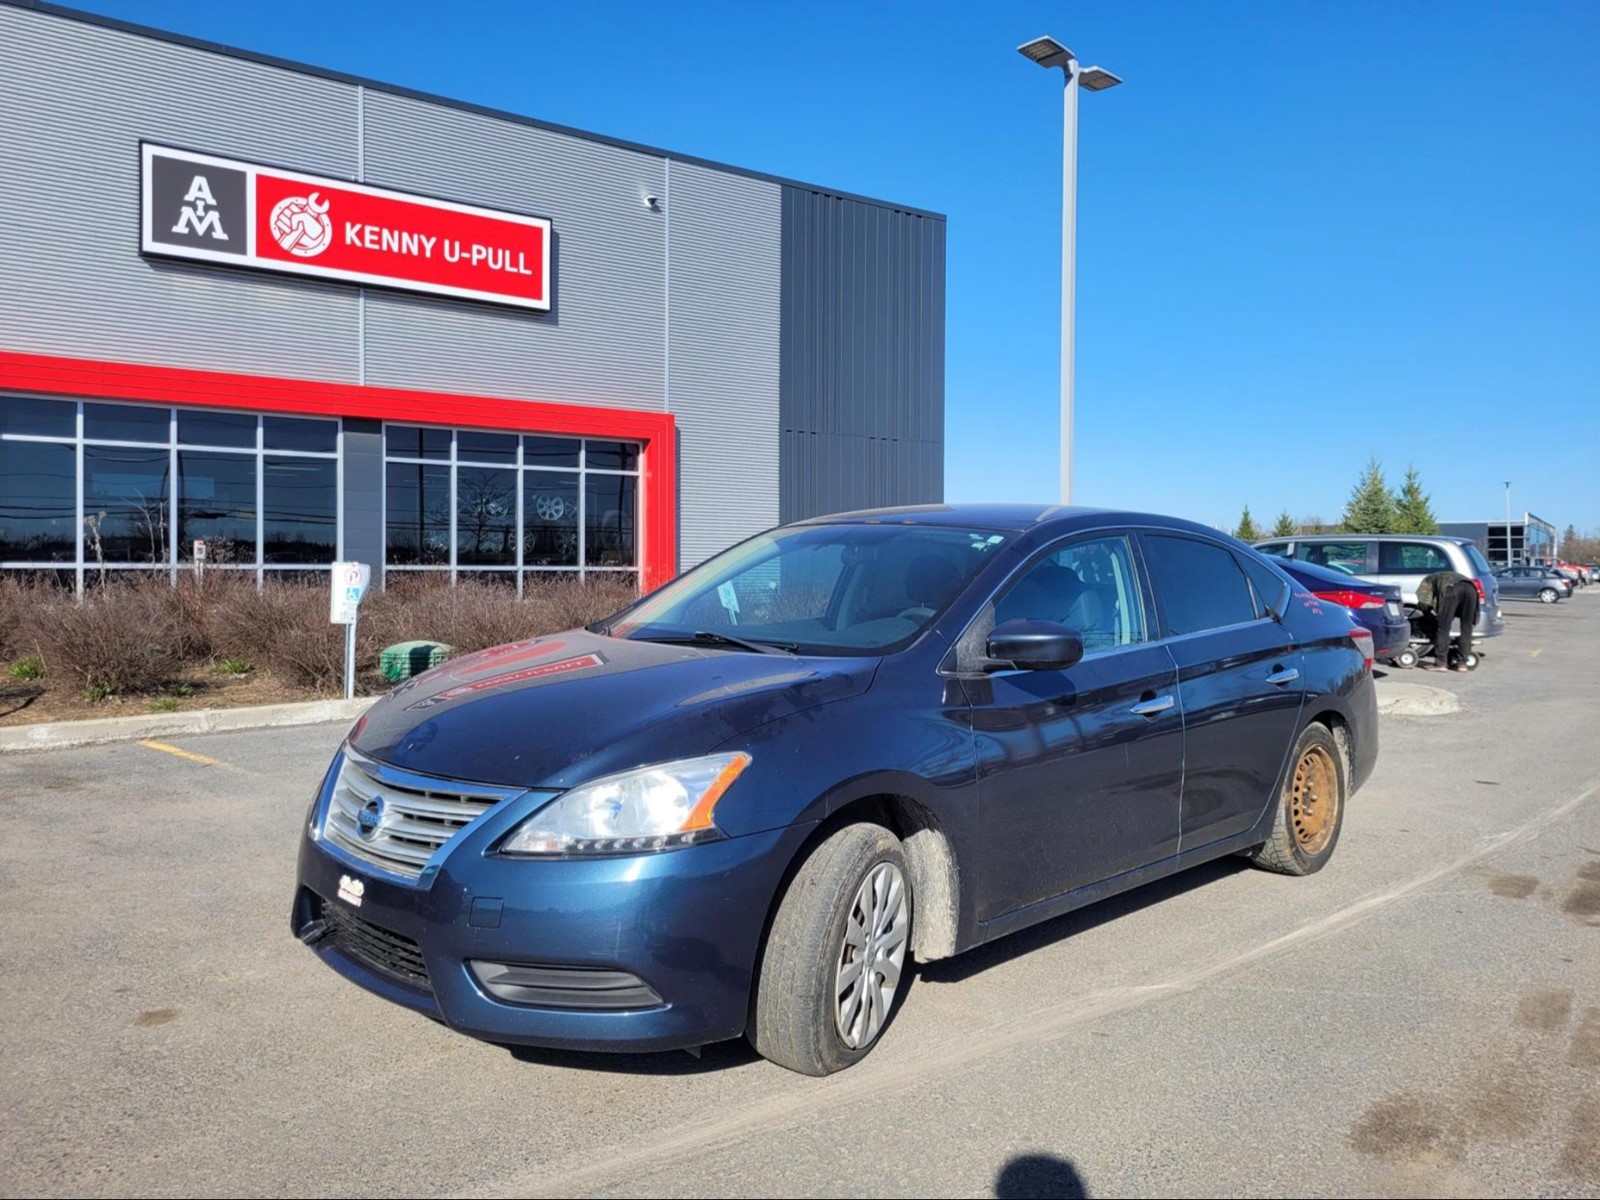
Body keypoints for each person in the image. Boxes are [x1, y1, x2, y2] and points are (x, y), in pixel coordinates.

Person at [1416, 570, 1478, 672]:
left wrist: (1429, 616)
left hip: (1450, 590)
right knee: (1466, 628)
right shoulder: (1445, 576)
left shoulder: (1427, 580)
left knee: (1443, 627)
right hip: (1471, 589)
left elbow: (1423, 602)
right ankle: (1462, 664)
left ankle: (1441, 663)